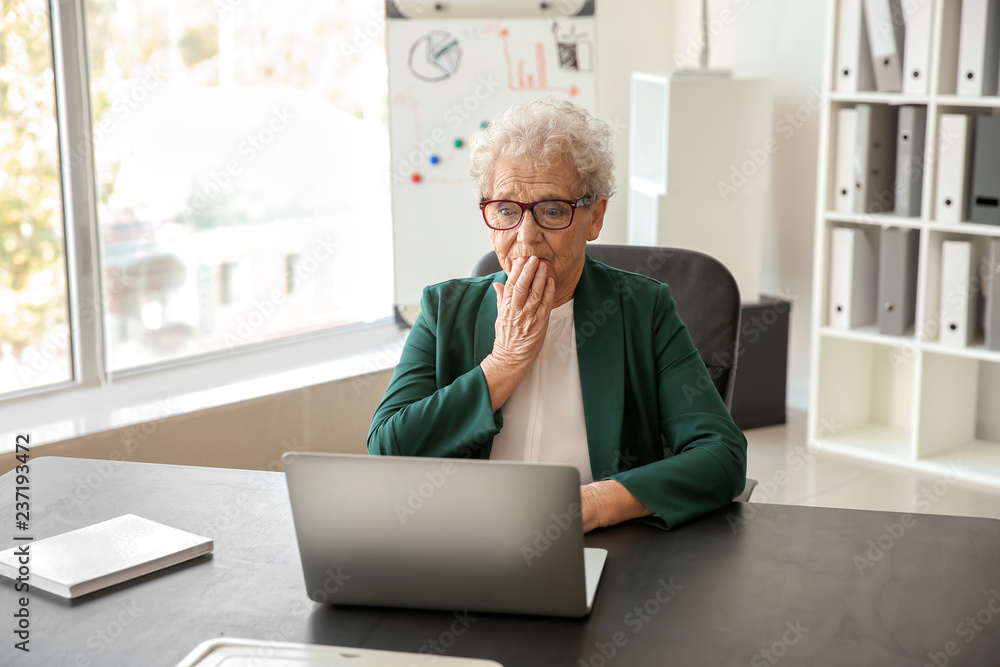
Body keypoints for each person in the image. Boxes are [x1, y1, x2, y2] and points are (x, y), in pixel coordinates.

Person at [368, 98, 747, 531]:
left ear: (595, 217)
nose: (526, 238)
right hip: (467, 541)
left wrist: (594, 504)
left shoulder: (644, 309)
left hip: (597, 544)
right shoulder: (444, 310)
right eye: (507, 211)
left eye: (552, 211)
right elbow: (387, 450)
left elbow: (722, 455)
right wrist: (504, 364)